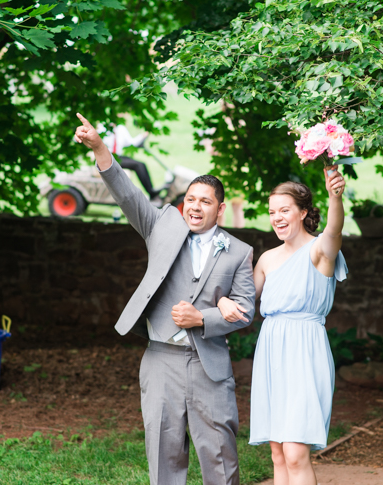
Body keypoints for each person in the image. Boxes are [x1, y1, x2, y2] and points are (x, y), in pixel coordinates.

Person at [74, 113, 256, 485]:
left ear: (219, 210)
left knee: (220, 458)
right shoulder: (160, 226)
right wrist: (101, 150)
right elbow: (128, 195)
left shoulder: (239, 252)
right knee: (163, 456)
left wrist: (203, 319)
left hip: (210, 365)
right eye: (190, 198)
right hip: (160, 361)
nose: (195, 206)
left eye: (205, 201)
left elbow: (246, 312)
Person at [219, 168, 347, 485]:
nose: (277, 217)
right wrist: (223, 302)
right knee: (277, 453)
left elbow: (334, 230)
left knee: (295, 453)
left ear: (303, 212)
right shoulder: (266, 259)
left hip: (306, 351)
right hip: (272, 353)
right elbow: (244, 306)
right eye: (272, 211)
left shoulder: (320, 252)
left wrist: (335, 197)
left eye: (285, 210)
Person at [99, 121, 158, 200]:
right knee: (137, 165)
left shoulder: (121, 129)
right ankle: (151, 192)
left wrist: (143, 135)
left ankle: (151, 191)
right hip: (107, 158)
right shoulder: (102, 128)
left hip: (117, 157)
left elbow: (131, 142)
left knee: (141, 164)